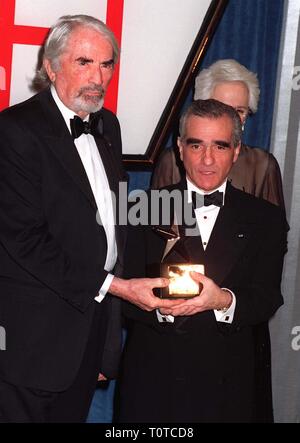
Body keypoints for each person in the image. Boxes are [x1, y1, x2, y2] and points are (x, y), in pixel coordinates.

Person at [0, 14, 180, 423]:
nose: (98, 77)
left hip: (88, 335)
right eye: (84, 62)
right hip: (32, 343)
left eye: (106, 64)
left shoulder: (108, 126)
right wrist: (118, 287)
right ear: (51, 65)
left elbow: (111, 229)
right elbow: (24, 240)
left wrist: (105, 347)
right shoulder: (13, 131)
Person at [116, 99, 287, 423]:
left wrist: (222, 300)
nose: (207, 159)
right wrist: (161, 309)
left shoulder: (265, 218)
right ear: (180, 148)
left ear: (236, 151)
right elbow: (119, 296)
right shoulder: (144, 208)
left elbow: (267, 297)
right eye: (196, 145)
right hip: (154, 386)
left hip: (228, 390)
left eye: (220, 146)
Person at [151, 59, 285, 209]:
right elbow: (156, 221)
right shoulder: (172, 160)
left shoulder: (262, 165)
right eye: (222, 108)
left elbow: (272, 227)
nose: (232, 118)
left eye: (240, 111)